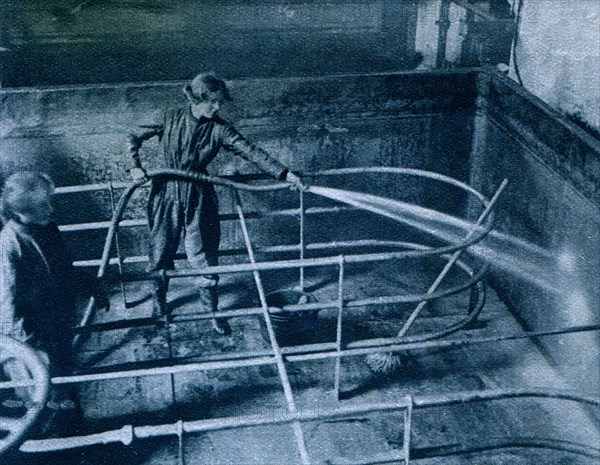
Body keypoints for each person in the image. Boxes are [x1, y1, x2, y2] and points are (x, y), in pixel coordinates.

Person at [127, 73, 305, 335]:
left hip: (199, 198)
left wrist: (285, 174)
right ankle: (159, 306)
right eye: (213, 102)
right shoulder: (168, 116)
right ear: (197, 100)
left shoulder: (219, 128)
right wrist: (134, 167)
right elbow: (132, 135)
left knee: (205, 259)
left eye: (221, 102)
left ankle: (213, 312)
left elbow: (251, 151)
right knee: (160, 253)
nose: (218, 107)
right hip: (165, 195)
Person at [0, 172, 108, 434]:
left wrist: (89, 284)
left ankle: (71, 427)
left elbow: (63, 266)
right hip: (30, 334)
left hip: (56, 321)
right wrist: (30, 348)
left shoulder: (47, 227)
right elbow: (8, 302)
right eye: (44, 205)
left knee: (64, 379)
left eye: (50, 202)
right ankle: (46, 442)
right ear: (22, 212)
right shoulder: (9, 244)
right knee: (38, 391)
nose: (52, 209)